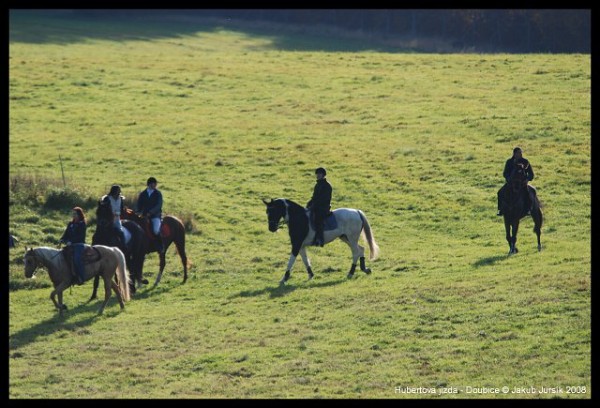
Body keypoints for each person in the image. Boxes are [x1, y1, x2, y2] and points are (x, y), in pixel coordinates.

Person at [497, 147, 536, 216]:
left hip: (522, 184)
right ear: (514, 154)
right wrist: (509, 179)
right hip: (511, 184)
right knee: (500, 192)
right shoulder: (509, 162)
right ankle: (500, 209)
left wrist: (527, 179)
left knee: (528, 194)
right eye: (518, 153)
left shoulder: (525, 162)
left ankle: (528, 209)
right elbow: (505, 173)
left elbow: (531, 174)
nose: (520, 154)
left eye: (521, 153)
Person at [59, 206, 87, 284]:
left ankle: (81, 277)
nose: (73, 215)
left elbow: (80, 236)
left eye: (75, 214)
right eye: (73, 214)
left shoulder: (82, 224)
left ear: (79, 215)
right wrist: (62, 239)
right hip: (70, 245)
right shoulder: (70, 224)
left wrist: (71, 242)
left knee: (77, 259)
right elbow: (66, 233)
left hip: (79, 244)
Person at [136, 177, 164, 253]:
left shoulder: (158, 194)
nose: (155, 185)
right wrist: (138, 211)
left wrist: (151, 212)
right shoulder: (143, 194)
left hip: (155, 215)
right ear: (149, 184)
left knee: (155, 230)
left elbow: (159, 205)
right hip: (144, 216)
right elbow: (139, 204)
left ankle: (160, 246)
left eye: (155, 184)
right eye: (153, 184)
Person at [306, 167, 332, 247]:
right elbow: (314, 197)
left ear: (323, 175)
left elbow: (324, 199)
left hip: (323, 208)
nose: (318, 175)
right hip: (316, 206)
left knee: (318, 220)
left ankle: (320, 239)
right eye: (317, 174)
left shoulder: (327, 186)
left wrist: (314, 205)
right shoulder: (317, 185)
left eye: (319, 174)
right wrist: (309, 204)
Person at [101, 184, 127, 249]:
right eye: (118, 191)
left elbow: (121, 210)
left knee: (121, 233)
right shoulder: (107, 199)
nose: (119, 193)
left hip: (116, 220)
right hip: (107, 220)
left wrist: (118, 213)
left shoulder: (120, 199)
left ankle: (123, 246)